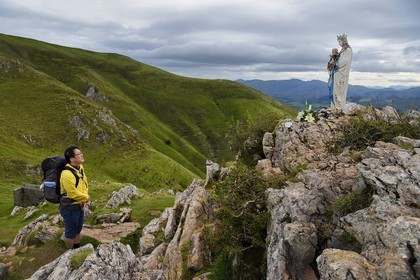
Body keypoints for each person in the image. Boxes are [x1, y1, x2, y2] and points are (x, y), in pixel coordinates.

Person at [59, 146, 90, 249]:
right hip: (69, 207)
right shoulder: (66, 174)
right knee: (70, 233)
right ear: (72, 159)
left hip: (79, 204)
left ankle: (77, 248)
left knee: (78, 229)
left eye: (81, 152)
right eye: (78, 154)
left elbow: (84, 184)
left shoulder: (80, 168)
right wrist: (86, 198)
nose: (82, 155)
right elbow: (72, 194)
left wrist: (84, 200)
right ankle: (69, 254)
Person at [332, 34, 353, 110]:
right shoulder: (342, 51)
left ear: (344, 41)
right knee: (336, 90)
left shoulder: (348, 50)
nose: (338, 43)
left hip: (342, 73)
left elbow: (345, 61)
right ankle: (337, 105)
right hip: (338, 72)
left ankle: (341, 106)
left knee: (341, 89)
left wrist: (336, 63)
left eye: (339, 41)